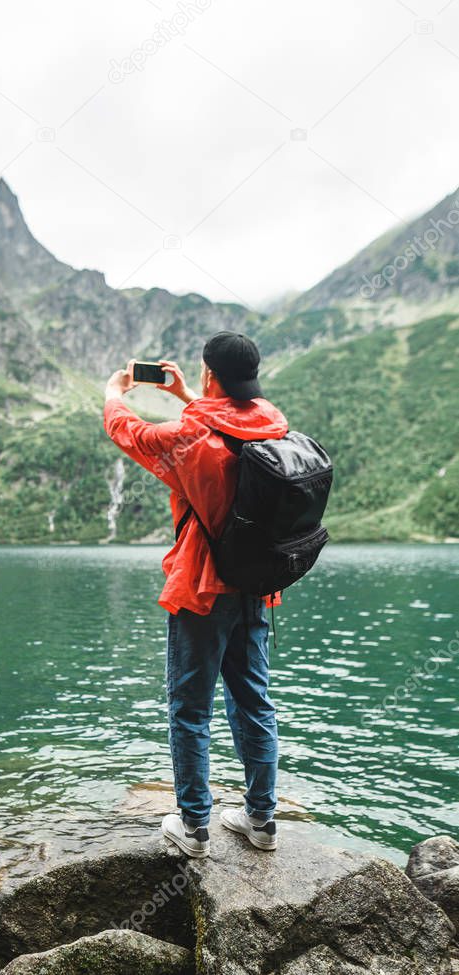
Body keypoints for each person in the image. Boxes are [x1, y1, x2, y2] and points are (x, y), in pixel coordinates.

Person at [104, 332, 288, 858]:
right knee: (253, 702)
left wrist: (114, 394)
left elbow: (131, 433)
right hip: (257, 585)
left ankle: (194, 827)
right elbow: (227, 427)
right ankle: (261, 818)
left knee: (189, 709)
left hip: (204, 588)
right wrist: (190, 397)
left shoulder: (191, 439)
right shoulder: (273, 423)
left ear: (210, 375)